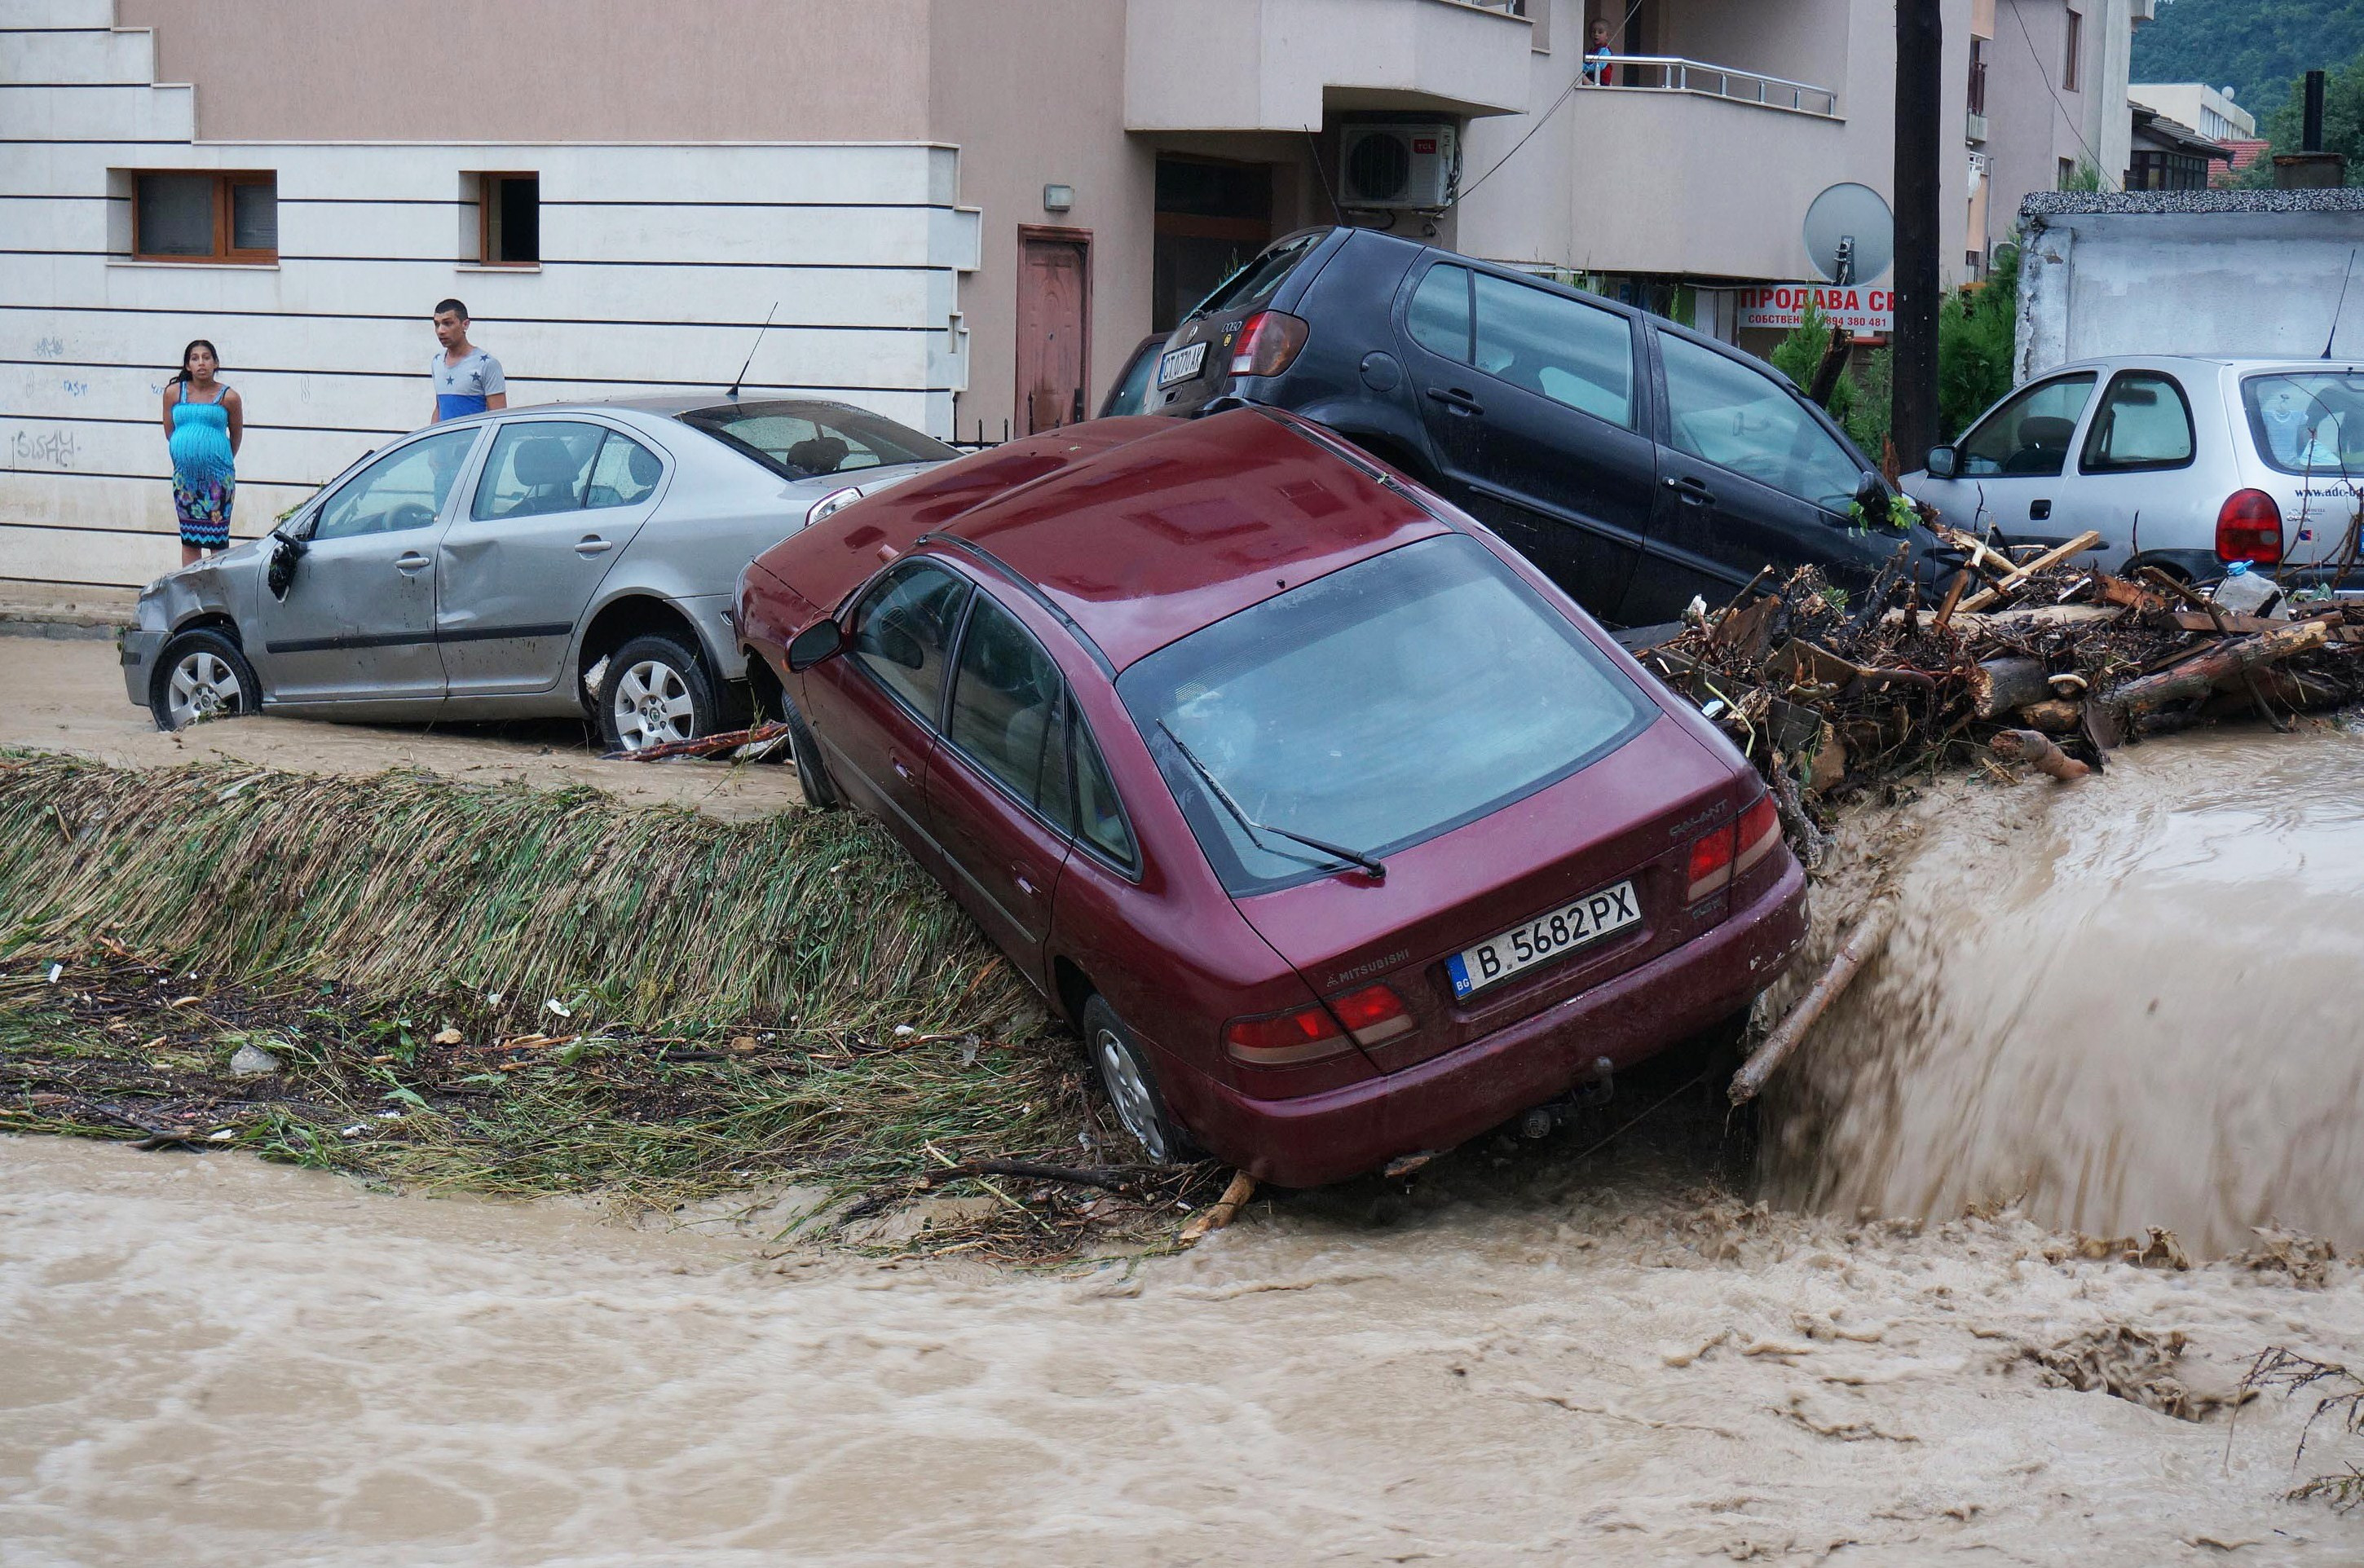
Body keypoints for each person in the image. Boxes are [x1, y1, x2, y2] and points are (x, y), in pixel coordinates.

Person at [159, 338, 240, 566]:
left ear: (216, 363)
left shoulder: (229, 397)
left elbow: (236, 436)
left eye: (206, 357)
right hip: (186, 481)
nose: (201, 363)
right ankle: (191, 592)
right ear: (187, 366)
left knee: (218, 539)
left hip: (218, 481)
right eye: (195, 358)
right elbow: (170, 433)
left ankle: (216, 594)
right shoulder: (173, 393)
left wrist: (215, 460)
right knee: (190, 539)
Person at [429, 298, 506, 423]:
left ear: (465, 324)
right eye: (437, 324)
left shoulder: (487, 364)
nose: (441, 331)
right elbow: (439, 407)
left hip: (475, 441)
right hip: (446, 441)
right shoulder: (437, 361)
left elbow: (499, 417)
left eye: (448, 323)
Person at [1582, 16, 1616, 85]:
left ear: (1607, 35)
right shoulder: (1593, 50)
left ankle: (1590, 84)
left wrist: (1583, 67)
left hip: (1601, 80)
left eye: (1600, 32)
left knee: (1580, 74)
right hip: (1594, 76)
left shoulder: (1605, 50)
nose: (1596, 34)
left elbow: (1600, 66)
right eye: (1593, 32)